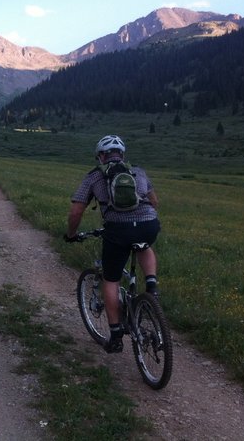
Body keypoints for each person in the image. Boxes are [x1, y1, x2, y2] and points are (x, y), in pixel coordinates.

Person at [65, 134, 161, 354]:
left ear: (101, 156)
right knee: (145, 246)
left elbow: (76, 210)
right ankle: (152, 287)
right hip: (148, 224)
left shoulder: (94, 177)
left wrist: (71, 234)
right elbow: (154, 201)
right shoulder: (138, 171)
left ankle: (116, 334)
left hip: (117, 230)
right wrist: (143, 220)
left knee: (111, 279)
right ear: (122, 154)